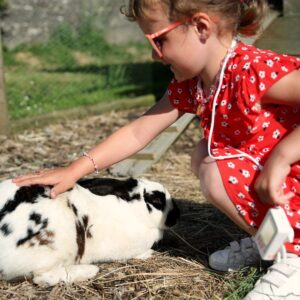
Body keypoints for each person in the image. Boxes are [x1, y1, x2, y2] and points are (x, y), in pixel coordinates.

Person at [13, 0, 300, 298]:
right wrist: (75, 170)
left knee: (214, 169)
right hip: (274, 185)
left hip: (291, 180)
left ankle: (294, 256)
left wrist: (282, 157)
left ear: (201, 27)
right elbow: (139, 132)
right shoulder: (196, 84)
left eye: (159, 40)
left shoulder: (252, 71)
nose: (154, 55)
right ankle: (269, 237)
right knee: (205, 155)